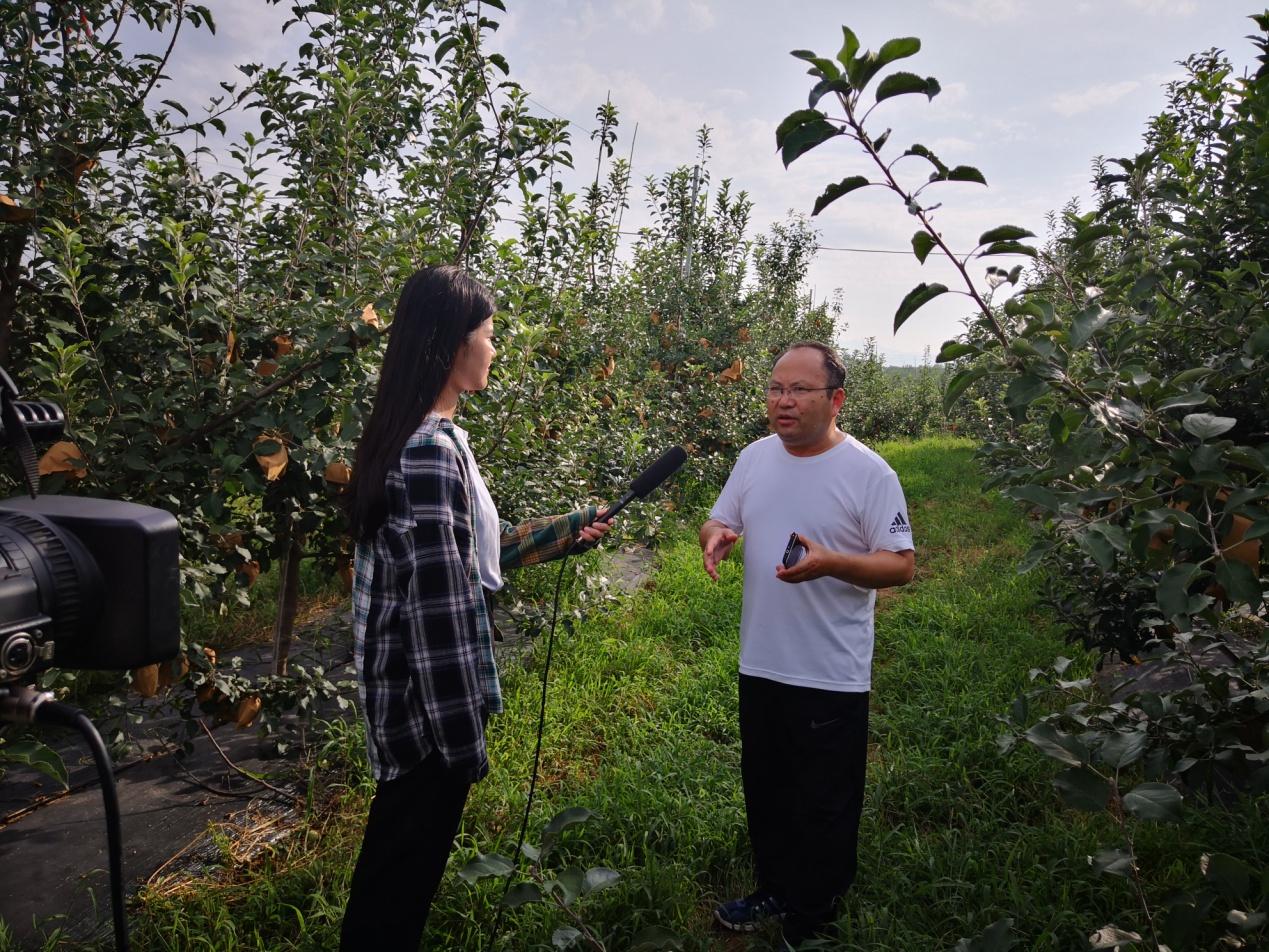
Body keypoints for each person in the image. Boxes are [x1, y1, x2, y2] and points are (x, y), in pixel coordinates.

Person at [340, 264, 610, 951]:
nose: (495, 349)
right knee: (396, 890)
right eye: (489, 334)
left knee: (392, 874)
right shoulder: (430, 452)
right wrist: (464, 746)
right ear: (453, 344)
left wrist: (561, 534)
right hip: (427, 718)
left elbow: (463, 559)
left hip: (409, 706)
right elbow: (441, 615)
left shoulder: (423, 437)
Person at [699, 341, 916, 950]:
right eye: (775, 388)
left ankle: (812, 916)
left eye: (799, 390)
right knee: (768, 789)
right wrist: (716, 536)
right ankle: (773, 888)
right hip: (762, 659)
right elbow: (722, 518)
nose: (782, 401)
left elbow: (900, 566)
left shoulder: (870, 473)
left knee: (824, 801)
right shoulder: (754, 458)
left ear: (836, 399)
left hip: (829, 669)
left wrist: (832, 564)